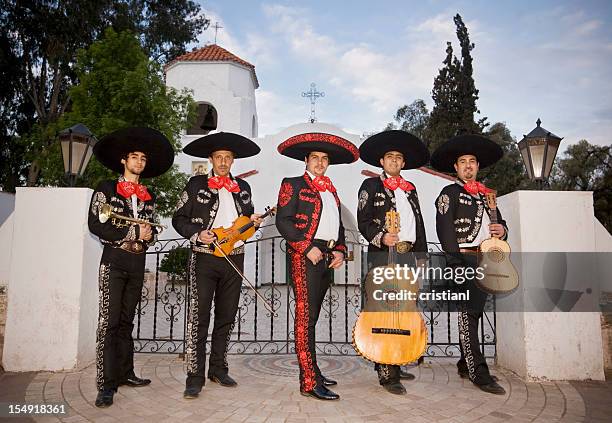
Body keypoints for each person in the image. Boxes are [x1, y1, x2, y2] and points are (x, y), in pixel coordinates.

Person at [88, 127, 174, 408]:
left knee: (126, 322)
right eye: (134, 157)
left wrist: (148, 237)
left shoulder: (149, 195)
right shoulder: (106, 188)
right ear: (124, 161)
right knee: (109, 324)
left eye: (143, 159)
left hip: (138, 261)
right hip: (114, 260)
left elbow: (152, 230)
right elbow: (96, 224)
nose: (139, 162)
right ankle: (105, 384)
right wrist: (132, 235)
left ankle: (126, 373)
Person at [172, 132, 262, 399]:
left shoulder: (244, 188)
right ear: (211, 159)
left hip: (235, 256)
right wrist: (197, 233)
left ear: (233, 160)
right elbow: (178, 218)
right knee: (199, 317)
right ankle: (194, 375)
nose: (223, 162)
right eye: (218, 157)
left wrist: (253, 223)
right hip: (204, 257)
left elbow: (245, 225)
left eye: (228, 158)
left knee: (226, 316)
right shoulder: (196, 183)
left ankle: (218, 368)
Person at [275, 131, 359, 400]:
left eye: (324, 159)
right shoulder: (293, 183)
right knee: (305, 319)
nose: (320, 163)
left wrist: (340, 251)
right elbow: (283, 221)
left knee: (313, 318)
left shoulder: (331, 190)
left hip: (326, 254)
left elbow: (339, 227)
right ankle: (308, 381)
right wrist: (305, 247)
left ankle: (315, 371)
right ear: (306, 160)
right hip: (306, 255)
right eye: (315, 158)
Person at [431, 134, 507, 395]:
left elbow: (501, 225)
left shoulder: (488, 195)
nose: (468, 166)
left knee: (474, 312)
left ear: (478, 166)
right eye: (462, 162)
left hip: (486, 259)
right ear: (455, 167)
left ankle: (466, 363)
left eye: (472, 161)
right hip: (463, 259)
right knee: (469, 314)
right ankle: (479, 372)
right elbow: (445, 231)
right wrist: (454, 263)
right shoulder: (449, 193)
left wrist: (502, 229)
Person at [357, 130, 429, 395]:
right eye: (390, 157)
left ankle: (396, 359)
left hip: (408, 254)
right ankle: (386, 370)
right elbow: (363, 221)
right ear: (382, 161)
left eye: (399, 158)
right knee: (384, 309)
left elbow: (418, 223)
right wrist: (381, 236)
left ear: (403, 162)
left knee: (404, 309)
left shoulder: (411, 190)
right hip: (382, 254)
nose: (395, 161)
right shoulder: (371, 186)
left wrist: (421, 254)